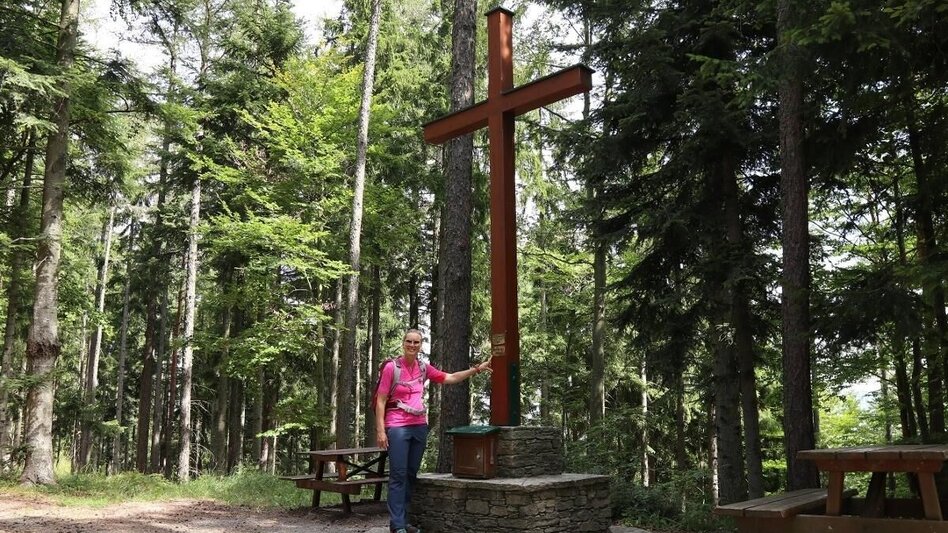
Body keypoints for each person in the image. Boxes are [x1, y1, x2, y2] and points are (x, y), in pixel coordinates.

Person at [375, 328, 492, 533]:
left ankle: (404, 522)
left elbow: (450, 377)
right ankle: (397, 525)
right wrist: (380, 431)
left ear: (421, 345)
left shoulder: (423, 368)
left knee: (410, 475)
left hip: (419, 426)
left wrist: (477, 369)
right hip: (397, 426)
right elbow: (381, 400)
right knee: (398, 475)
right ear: (403, 343)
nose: (412, 345)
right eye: (409, 341)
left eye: (416, 342)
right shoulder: (391, 368)